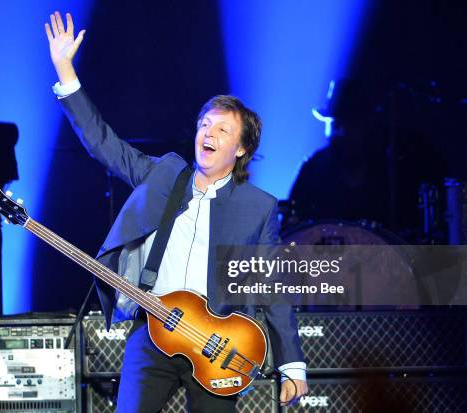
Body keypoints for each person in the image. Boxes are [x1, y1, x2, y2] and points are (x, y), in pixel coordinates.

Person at [44, 11, 307, 412]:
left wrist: (292, 363)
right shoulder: (165, 174)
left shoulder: (258, 207)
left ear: (240, 150)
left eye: (222, 129)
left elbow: (271, 288)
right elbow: (105, 145)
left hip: (217, 344)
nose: (208, 133)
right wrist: (66, 71)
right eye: (205, 124)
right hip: (154, 331)